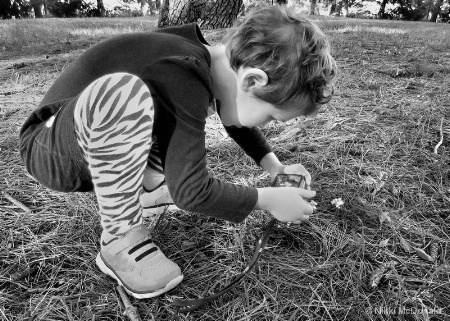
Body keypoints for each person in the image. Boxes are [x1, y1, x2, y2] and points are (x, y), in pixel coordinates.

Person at [19, 5, 336, 299]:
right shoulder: (181, 70)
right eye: (269, 116)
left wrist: (274, 166)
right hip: (50, 150)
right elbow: (192, 193)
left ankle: (150, 189)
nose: (265, 124)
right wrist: (267, 199)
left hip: (79, 140)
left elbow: (235, 115)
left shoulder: (199, 61)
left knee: (167, 115)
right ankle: (120, 240)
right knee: (125, 95)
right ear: (253, 79)